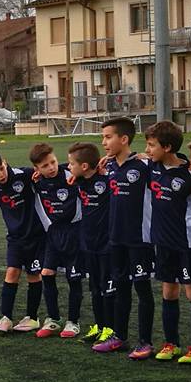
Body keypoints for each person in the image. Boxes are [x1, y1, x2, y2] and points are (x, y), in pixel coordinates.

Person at [145, 121, 191, 364]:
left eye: (152, 145)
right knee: (168, 291)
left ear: (168, 146)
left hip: (187, 241)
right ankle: (171, 343)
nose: (148, 150)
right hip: (162, 241)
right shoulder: (152, 166)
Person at [94, 117, 156, 359]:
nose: (104, 142)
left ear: (124, 139)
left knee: (142, 289)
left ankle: (145, 342)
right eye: (103, 137)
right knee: (121, 287)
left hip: (139, 238)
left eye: (108, 137)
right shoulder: (109, 167)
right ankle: (119, 336)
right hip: (115, 237)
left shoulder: (143, 167)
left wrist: (147, 158)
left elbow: (177, 164)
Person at [0, 148, 45, 333]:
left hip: (35, 235)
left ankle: (32, 318)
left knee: (33, 274)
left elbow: (45, 170)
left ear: (5, 162)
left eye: (1, 169)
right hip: (15, 238)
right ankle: (6, 318)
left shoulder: (24, 175)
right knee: (12, 272)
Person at [29, 143, 84, 339]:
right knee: (47, 273)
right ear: (37, 169)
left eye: (52, 162)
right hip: (53, 233)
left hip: (75, 231)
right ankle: (53, 319)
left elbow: (92, 168)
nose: (51, 168)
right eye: (45, 166)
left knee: (73, 277)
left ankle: (73, 321)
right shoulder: (36, 181)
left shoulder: (71, 175)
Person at [68, 142, 113, 345]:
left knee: (108, 288)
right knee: (94, 288)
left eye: (71, 164)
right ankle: (100, 326)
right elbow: (61, 167)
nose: (68, 167)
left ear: (84, 166)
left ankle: (111, 330)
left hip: (107, 244)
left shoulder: (106, 179)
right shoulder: (79, 180)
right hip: (89, 243)